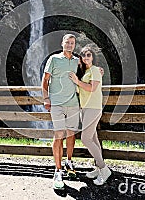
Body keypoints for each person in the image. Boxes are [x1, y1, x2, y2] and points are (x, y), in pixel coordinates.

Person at [69, 46, 112, 186]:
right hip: (85, 108)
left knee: (85, 138)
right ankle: (99, 168)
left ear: (93, 57)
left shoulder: (94, 70)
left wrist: (77, 81)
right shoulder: (85, 72)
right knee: (93, 138)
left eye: (88, 55)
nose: (86, 57)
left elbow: (92, 88)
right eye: (83, 56)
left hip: (93, 108)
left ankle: (104, 169)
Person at [42, 33, 80, 190]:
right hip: (56, 104)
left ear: (74, 45)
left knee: (71, 135)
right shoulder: (54, 59)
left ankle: (69, 161)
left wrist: (99, 71)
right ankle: (57, 171)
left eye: (72, 43)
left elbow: (87, 73)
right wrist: (46, 98)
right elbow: (45, 80)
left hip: (73, 104)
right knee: (58, 136)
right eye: (67, 42)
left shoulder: (77, 61)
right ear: (62, 44)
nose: (70, 45)